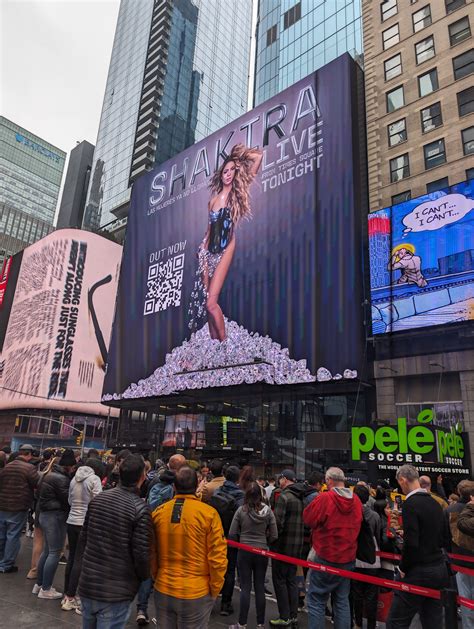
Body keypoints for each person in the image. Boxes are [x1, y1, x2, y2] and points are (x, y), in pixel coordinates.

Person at [188, 143, 263, 340]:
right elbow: (209, 230)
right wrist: (202, 249)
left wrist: (239, 157)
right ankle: (214, 345)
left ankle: (223, 345)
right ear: (221, 175)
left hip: (226, 248)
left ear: (235, 172)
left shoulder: (237, 193)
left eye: (232, 170)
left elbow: (257, 157)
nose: (228, 174)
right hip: (207, 253)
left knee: (212, 303)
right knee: (206, 303)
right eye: (225, 171)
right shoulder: (212, 201)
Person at [77, 454, 152, 628]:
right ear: (142, 476)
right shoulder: (140, 508)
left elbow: (84, 539)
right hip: (116, 591)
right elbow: (141, 554)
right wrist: (144, 578)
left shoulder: (99, 499)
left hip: (89, 583)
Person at [150, 466, 228, 628]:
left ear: (174, 486)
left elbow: (151, 552)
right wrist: (214, 589)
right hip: (196, 592)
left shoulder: (158, 513)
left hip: (163, 588)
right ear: (198, 484)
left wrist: (157, 577)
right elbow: (218, 558)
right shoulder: (209, 514)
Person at [386, 464, 449, 629]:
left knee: (396, 622)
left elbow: (412, 543)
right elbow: (444, 538)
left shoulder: (411, 504)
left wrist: (403, 568)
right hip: (438, 568)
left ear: (403, 480)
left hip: (418, 571)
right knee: (432, 621)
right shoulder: (436, 503)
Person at [303, 467, 362, 629]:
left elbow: (308, 519)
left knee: (316, 600)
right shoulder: (356, 500)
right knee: (342, 601)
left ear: (329, 480)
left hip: (326, 555)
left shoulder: (325, 498)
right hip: (348, 557)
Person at [136, 453, 187, 626]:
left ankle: (141, 609)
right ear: (180, 466)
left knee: (149, 571)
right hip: (171, 531)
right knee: (166, 571)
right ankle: (163, 613)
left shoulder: (155, 480)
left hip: (151, 526)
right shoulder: (180, 483)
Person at [228, 482, 278, 629]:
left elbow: (232, 533)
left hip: (244, 551)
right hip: (261, 551)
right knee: (259, 587)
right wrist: (265, 541)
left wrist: (239, 541)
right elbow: (274, 535)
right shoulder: (268, 511)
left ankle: (242, 623)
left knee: (245, 587)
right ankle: (260, 623)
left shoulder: (241, 511)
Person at [61, 458, 103, 612]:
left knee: (72, 557)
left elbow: (70, 501)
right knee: (82, 559)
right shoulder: (94, 479)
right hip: (85, 523)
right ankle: (73, 597)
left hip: (72, 521)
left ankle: (67, 594)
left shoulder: (74, 479)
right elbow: (99, 501)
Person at [32, 449, 75, 599]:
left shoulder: (46, 475)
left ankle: (39, 584)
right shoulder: (62, 479)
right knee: (54, 552)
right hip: (55, 517)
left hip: (43, 514)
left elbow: (36, 494)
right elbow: (67, 501)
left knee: (47, 550)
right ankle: (46, 588)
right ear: (69, 466)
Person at [270, 469, 306, 627]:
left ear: (284, 479)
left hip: (282, 546)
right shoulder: (302, 496)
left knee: (280, 581)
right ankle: (293, 616)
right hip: (297, 546)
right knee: (292, 581)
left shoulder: (284, 496)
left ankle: (284, 617)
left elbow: (277, 524)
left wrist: (271, 540)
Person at [211, 465, 244, 616]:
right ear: (238, 478)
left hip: (216, 534)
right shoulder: (240, 496)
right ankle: (226, 603)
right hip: (232, 537)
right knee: (230, 569)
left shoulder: (217, 491)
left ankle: (211, 598)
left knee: (214, 565)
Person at [0, 443, 39, 573]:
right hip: (19, 506)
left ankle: (1, 560)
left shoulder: (7, 467)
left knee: (2, 534)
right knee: (13, 536)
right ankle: (6, 564)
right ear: (29, 454)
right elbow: (37, 483)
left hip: (3, 505)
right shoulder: (29, 468)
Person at [351, 485, 382, 629]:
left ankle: (358, 623)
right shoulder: (375, 515)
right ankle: (371, 624)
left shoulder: (352, 513)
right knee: (371, 596)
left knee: (356, 594)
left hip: (356, 557)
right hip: (373, 559)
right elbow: (378, 535)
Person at [445, 480, 474, 629]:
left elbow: (444, 536)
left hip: (459, 561)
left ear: (458, 491)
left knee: (465, 599)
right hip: (466, 560)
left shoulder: (450, 510)